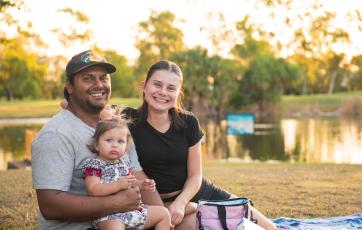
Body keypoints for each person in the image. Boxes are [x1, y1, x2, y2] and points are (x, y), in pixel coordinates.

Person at [121, 60, 279, 230]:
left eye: (171, 88)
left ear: (178, 95)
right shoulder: (127, 120)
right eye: (157, 85)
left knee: (268, 227)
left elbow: (195, 176)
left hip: (196, 193)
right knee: (226, 226)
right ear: (144, 86)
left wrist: (181, 203)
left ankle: (200, 208)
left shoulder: (189, 123)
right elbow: (97, 108)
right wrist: (166, 211)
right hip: (157, 203)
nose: (163, 92)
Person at [31, 50, 162, 230]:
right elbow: (50, 205)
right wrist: (117, 202)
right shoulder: (56, 135)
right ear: (69, 86)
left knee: (188, 221)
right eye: (88, 78)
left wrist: (163, 217)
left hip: (127, 219)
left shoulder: (115, 129)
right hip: (82, 227)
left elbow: (137, 174)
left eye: (104, 78)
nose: (98, 84)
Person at [82, 116, 170, 230]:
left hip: (133, 211)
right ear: (97, 145)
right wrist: (118, 185)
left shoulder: (123, 164)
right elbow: (93, 190)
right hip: (109, 216)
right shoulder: (94, 165)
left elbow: (130, 183)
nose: (115, 145)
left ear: (126, 147)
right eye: (109, 140)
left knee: (163, 214)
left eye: (120, 141)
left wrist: (142, 184)